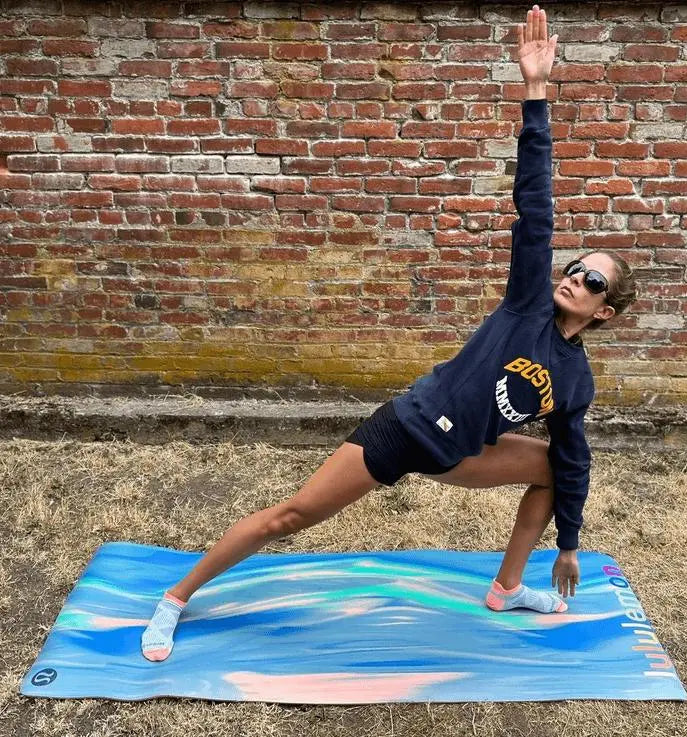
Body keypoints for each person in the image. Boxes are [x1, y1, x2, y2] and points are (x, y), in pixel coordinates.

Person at [141, 4, 637, 662]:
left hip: (461, 454)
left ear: (605, 312)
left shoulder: (575, 379)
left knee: (552, 467)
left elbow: (574, 456)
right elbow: (535, 209)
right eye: (575, 268)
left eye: (592, 280)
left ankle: (508, 587)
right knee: (291, 516)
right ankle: (175, 598)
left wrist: (569, 543)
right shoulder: (527, 306)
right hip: (406, 428)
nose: (574, 278)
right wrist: (536, 92)